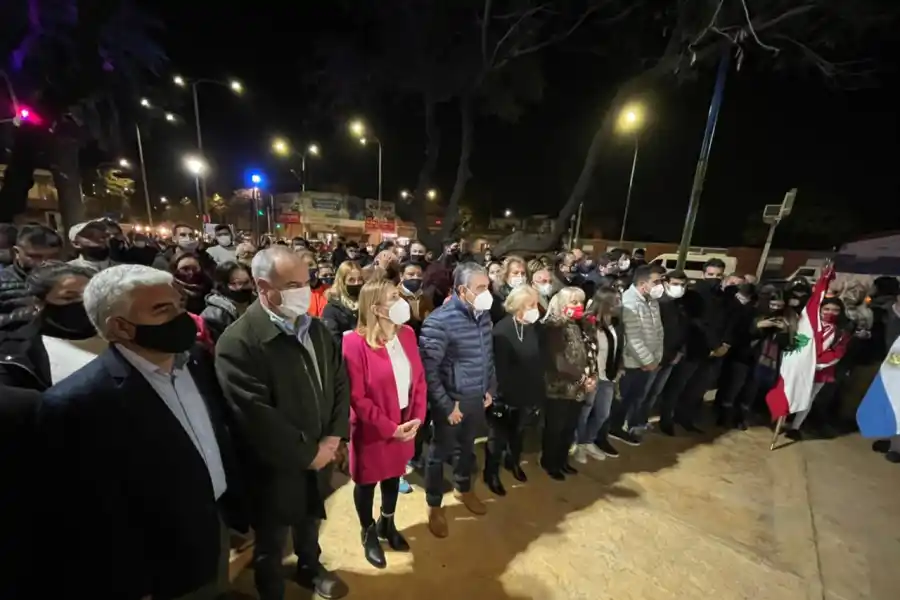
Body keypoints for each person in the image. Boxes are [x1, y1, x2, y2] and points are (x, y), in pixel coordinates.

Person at [40, 264, 247, 600]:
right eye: (161, 309)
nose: (180, 317)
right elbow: (90, 513)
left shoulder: (194, 360)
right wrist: (132, 584)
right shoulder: (77, 403)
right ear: (120, 327)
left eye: (179, 305)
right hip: (157, 559)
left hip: (214, 524)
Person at [215, 247, 350, 600]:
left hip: (321, 452)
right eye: (292, 284)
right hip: (273, 467)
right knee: (272, 538)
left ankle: (310, 567)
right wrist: (310, 453)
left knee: (310, 520)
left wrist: (334, 438)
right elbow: (255, 415)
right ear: (263, 286)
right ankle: (270, 588)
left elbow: (338, 383)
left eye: (305, 282)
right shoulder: (239, 341)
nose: (303, 292)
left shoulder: (316, 330)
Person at [343, 279, 427, 568]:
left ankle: (386, 524)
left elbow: (418, 380)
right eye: (395, 297)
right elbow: (357, 397)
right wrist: (390, 428)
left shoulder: (407, 334)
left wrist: (417, 418)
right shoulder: (353, 342)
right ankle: (368, 532)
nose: (403, 301)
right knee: (366, 483)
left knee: (393, 476)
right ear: (376, 308)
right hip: (373, 428)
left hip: (406, 422)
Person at [419, 262, 496, 538]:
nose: (488, 293)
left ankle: (464, 488)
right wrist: (446, 405)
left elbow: (488, 356)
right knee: (439, 455)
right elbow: (428, 371)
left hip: (476, 398)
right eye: (482, 288)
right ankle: (434, 505)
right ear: (463, 290)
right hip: (451, 404)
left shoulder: (483, 315)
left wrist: (490, 388)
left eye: (488, 286)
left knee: (467, 449)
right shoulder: (439, 321)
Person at [484, 285, 544, 495]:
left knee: (518, 434)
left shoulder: (534, 327)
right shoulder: (502, 330)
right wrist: (499, 398)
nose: (536, 308)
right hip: (504, 396)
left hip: (527, 394)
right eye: (531, 305)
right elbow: (498, 369)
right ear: (518, 307)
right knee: (497, 439)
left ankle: (513, 462)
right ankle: (491, 473)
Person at [540, 286, 595, 480]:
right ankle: (550, 462)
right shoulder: (553, 326)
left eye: (581, 301)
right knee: (556, 427)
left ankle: (563, 460)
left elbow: (589, 352)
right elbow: (558, 361)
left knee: (570, 426)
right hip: (559, 386)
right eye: (574, 302)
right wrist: (581, 378)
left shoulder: (580, 324)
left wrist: (591, 376)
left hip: (578, 387)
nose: (579, 305)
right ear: (562, 304)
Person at [608, 265, 664, 445]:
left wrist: (656, 358)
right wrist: (648, 360)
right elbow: (632, 339)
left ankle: (623, 425)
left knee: (635, 397)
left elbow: (659, 332)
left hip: (648, 363)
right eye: (656, 281)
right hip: (632, 363)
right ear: (642, 283)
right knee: (622, 399)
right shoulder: (629, 303)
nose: (660, 285)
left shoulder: (652, 301)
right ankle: (614, 428)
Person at [574, 286, 623, 463]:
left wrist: (618, 369)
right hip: (591, 377)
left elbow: (617, 348)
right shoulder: (588, 323)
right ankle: (579, 444)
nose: (619, 304)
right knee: (584, 413)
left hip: (607, 377)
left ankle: (588, 441)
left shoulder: (615, 323)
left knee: (602, 413)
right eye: (616, 300)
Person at [0, 224, 63, 324]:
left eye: (53, 256)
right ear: (16, 252)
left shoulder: (71, 278)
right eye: (35, 256)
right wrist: (25, 315)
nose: (45, 262)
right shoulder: (2, 281)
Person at [201, 261, 254, 342]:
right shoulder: (213, 316)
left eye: (246, 282)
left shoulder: (260, 303)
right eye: (236, 283)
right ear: (223, 285)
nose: (241, 288)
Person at [322, 260, 364, 344]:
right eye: (351, 280)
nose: (356, 283)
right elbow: (334, 341)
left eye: (359, 279)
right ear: (342, 282)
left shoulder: (366, 302)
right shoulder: (331, 309)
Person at [399, 260, 434, 336]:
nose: (416, 278)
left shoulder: (426, 297)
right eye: (411, 274)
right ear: (401, 276)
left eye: (419, 275)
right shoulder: (394, 296)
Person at [489, 256, 527, 324]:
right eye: (515, 273)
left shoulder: (528, 295)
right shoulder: (497, 298)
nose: (520, 276)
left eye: (523, 273)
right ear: (506, 275)